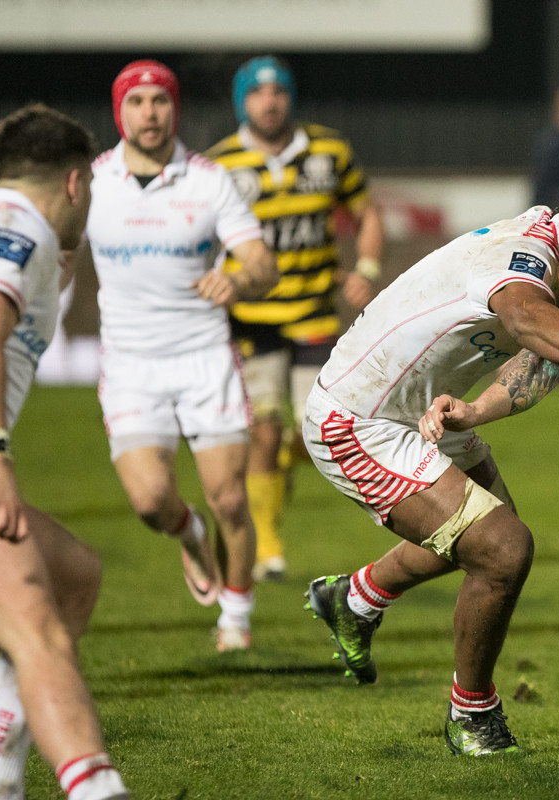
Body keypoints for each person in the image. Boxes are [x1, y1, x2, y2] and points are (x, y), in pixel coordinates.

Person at [301, 181, 559, 756]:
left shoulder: (557, 263)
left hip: (426, 411)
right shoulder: (529, 253)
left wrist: (476, 409)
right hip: (357, 420)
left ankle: (355, 599)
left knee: (492, 544)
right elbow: (525, 317)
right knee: (502, 549)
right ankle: (471, 717)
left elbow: (536, 365)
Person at [85, 60, 279, 652]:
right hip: (130, 364)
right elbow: (60, 254)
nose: (150, 112)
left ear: (176, 109)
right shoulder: (91, 180)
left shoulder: (207, 179)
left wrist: (237, 281)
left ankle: (236, 620)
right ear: (120, 111)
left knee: (229, 496)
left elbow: (260, 265)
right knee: (149, 501)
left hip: (203, 357)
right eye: (138, 101)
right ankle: (188, 532)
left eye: (160, 101)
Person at [0, 103, 130, 800]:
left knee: (72, 572)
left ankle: (1, 775)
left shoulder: (11, 227)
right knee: (37, 625)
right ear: (75, 185)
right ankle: (97, 788)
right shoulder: (19, 231)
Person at [206, 56, 385, 583]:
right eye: (257, 93)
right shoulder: (220, 163)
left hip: (313, 312)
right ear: (243, 101)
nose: (269, 101)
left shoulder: (328, 149)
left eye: (279, 91)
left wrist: (366, 268)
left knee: (319, 432)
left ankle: (277, 481)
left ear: (290, 97)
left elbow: (367, 211)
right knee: (265, 429)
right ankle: (268, 543)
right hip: (252, 320)